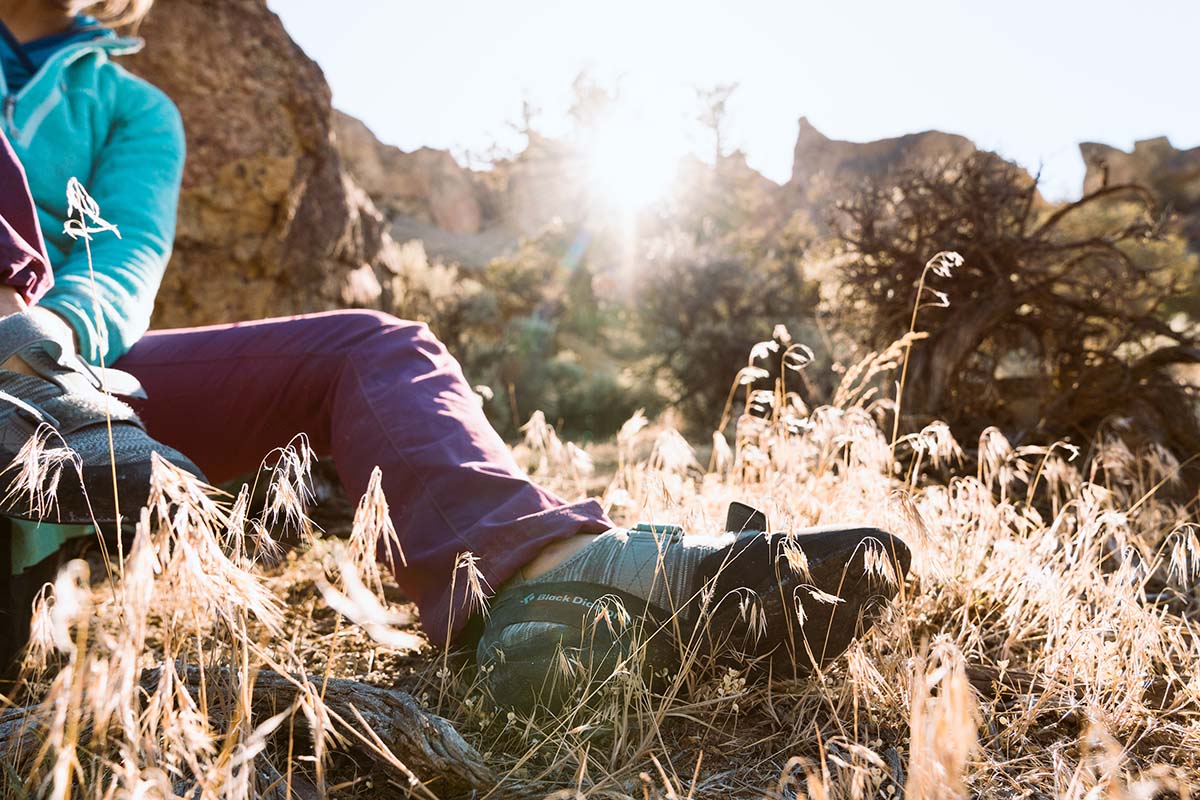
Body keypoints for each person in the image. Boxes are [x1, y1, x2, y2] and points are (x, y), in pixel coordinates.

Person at [0, 0, 910, 711]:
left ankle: (550, 588)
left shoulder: (128, 109)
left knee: (373, 348)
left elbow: (115, 261)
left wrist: (46, 351)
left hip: (68, 382)